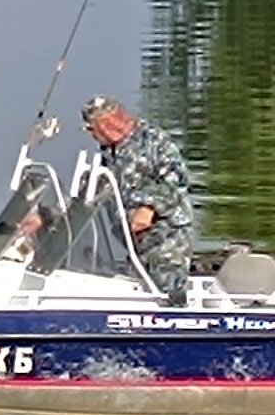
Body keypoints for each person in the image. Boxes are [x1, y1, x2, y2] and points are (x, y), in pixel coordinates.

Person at [78, 94, 199, 277]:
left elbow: (177, 182)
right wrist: (49, 217)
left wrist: (148, 208)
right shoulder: (109, 153)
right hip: (135, 246)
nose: (91, 135)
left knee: (166, 294)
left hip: (167, 241)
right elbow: (92, 193)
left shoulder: (153, 140)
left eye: (90, 129)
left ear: (105, 124)